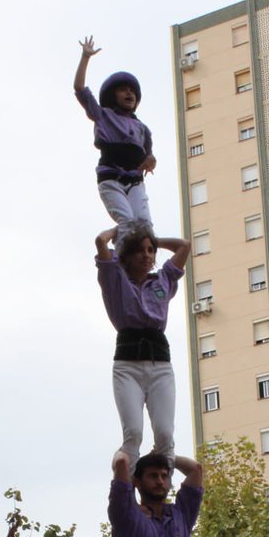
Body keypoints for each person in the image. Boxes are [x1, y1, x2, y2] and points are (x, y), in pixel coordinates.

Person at [96, 225, 190, 471]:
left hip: (160, 364)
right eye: (139, 251)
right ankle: (125, 489)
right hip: (128, 365)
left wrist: (155, 239)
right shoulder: (115, 279)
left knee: (165, 435)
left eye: (151, 250)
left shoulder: (163, 280)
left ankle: (161, 493)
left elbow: (184, 246)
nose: (147, 255)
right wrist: (119, 232)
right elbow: (100, 242)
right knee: (134, 433)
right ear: (127, 255)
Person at [75, 36, 155, 245]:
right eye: (123, 89)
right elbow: (80, 89)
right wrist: (85, 57)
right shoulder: (103, 115)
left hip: (134, 180)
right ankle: (122, 264)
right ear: (112, 95)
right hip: (111, 177)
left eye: (131, 91)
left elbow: (149, 154)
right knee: (127, 221)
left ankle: (144, 265)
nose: (128, 93)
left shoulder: (142, 128)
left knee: (145, 224)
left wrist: (151, 160)